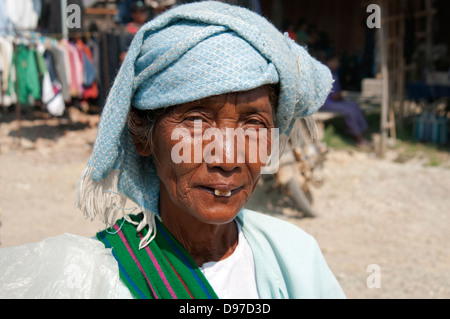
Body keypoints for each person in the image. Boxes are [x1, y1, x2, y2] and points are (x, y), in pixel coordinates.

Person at [0, 2, 345, 299]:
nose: (227, 159)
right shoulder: (95, 278)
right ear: (143, 136)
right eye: (195, 122)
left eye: (253, 125)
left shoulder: (295, 257)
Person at [319, 56, 369, 146]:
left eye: (337, 62)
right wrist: (340, 95)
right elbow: (334, 96)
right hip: (326, 104)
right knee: (351, 111)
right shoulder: (324, 74)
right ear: (327, 62)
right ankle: (358, 138)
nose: (337, 64)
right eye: (334, 62)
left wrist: (340, 95)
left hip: (335, 101)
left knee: (355, 106)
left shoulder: (335, 73)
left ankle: (358, 131)